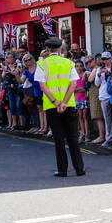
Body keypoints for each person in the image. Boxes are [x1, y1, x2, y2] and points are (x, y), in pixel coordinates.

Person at [36, 37, 85, 178]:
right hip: (68, 104)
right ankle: (79, 169)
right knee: (73, 138)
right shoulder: (69, 63)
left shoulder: (42, 64)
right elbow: (74, 85)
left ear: (47, 49)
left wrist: (56, 102)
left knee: (58, 139)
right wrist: (64, 102)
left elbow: (42, 86)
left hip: (51, 106)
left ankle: (62, 170)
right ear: (60, 49)